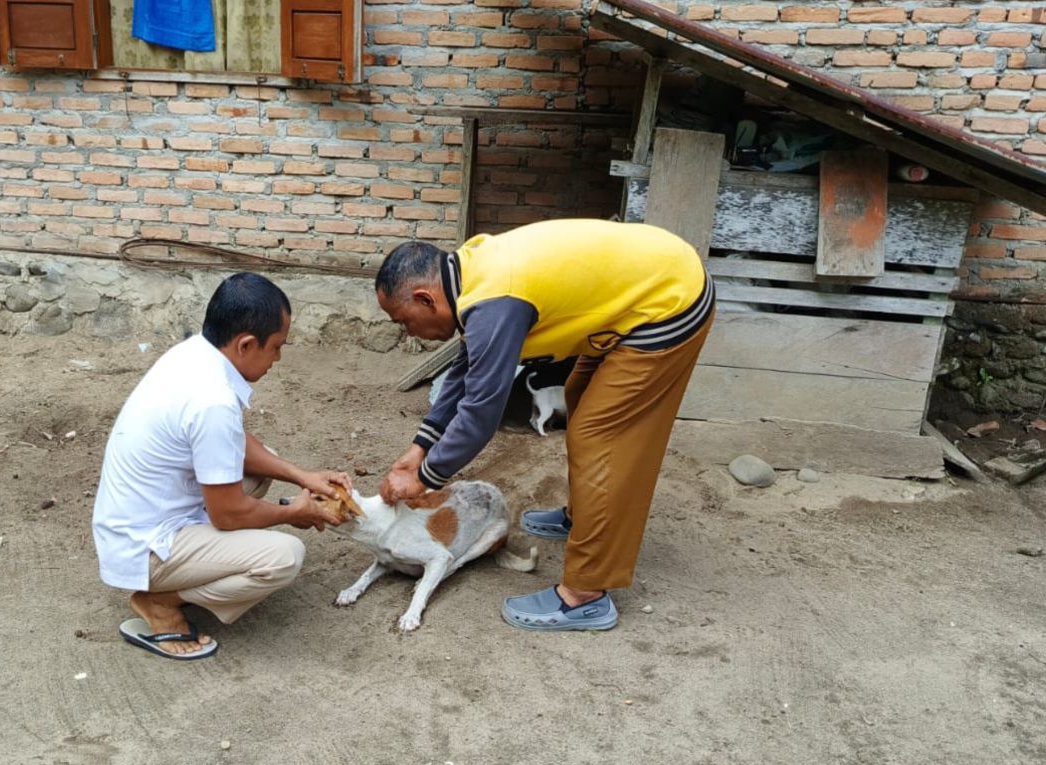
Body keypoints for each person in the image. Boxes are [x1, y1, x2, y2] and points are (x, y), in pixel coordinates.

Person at [374, 219, 714, 632]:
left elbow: (480, 413)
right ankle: (585, 516)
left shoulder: (495, 303)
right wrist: (419, 447)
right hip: (642, 291)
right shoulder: (470, 279)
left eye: (403, 321)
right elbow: (466, 369)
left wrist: (424, 479)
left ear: (426, 299)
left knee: (601, 437)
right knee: (580, 397)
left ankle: (585, 595)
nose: (409, 332)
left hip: (668, 305)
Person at [92, 272, 350, 660]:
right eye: (276, 347)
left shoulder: (193, 354)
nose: (278, 358)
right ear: (246, 344)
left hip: (141, 518)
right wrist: (292, 512)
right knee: (283, 558)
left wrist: (300, 475)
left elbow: (230, 442)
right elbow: (228, 514)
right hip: (145, 546)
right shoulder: (212, 400)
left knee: (261, 467)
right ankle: (160, 600)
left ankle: (187, 569)